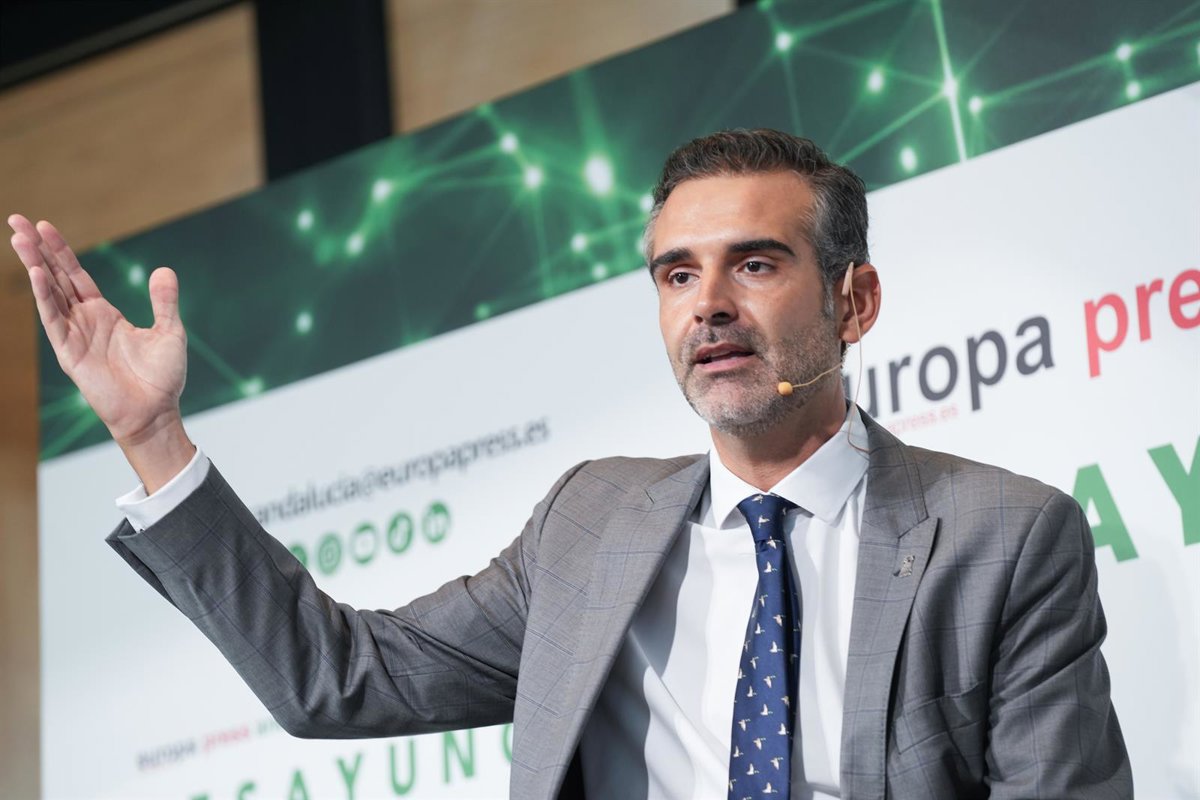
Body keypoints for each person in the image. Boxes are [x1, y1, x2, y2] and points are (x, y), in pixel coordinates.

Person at [10, 129, 1131, 799]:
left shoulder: (1000, 536)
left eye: (754, 264)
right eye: (677, 275)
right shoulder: (592, 522)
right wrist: (152, 435)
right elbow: (335, 676)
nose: (710, 305)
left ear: (856, 299)